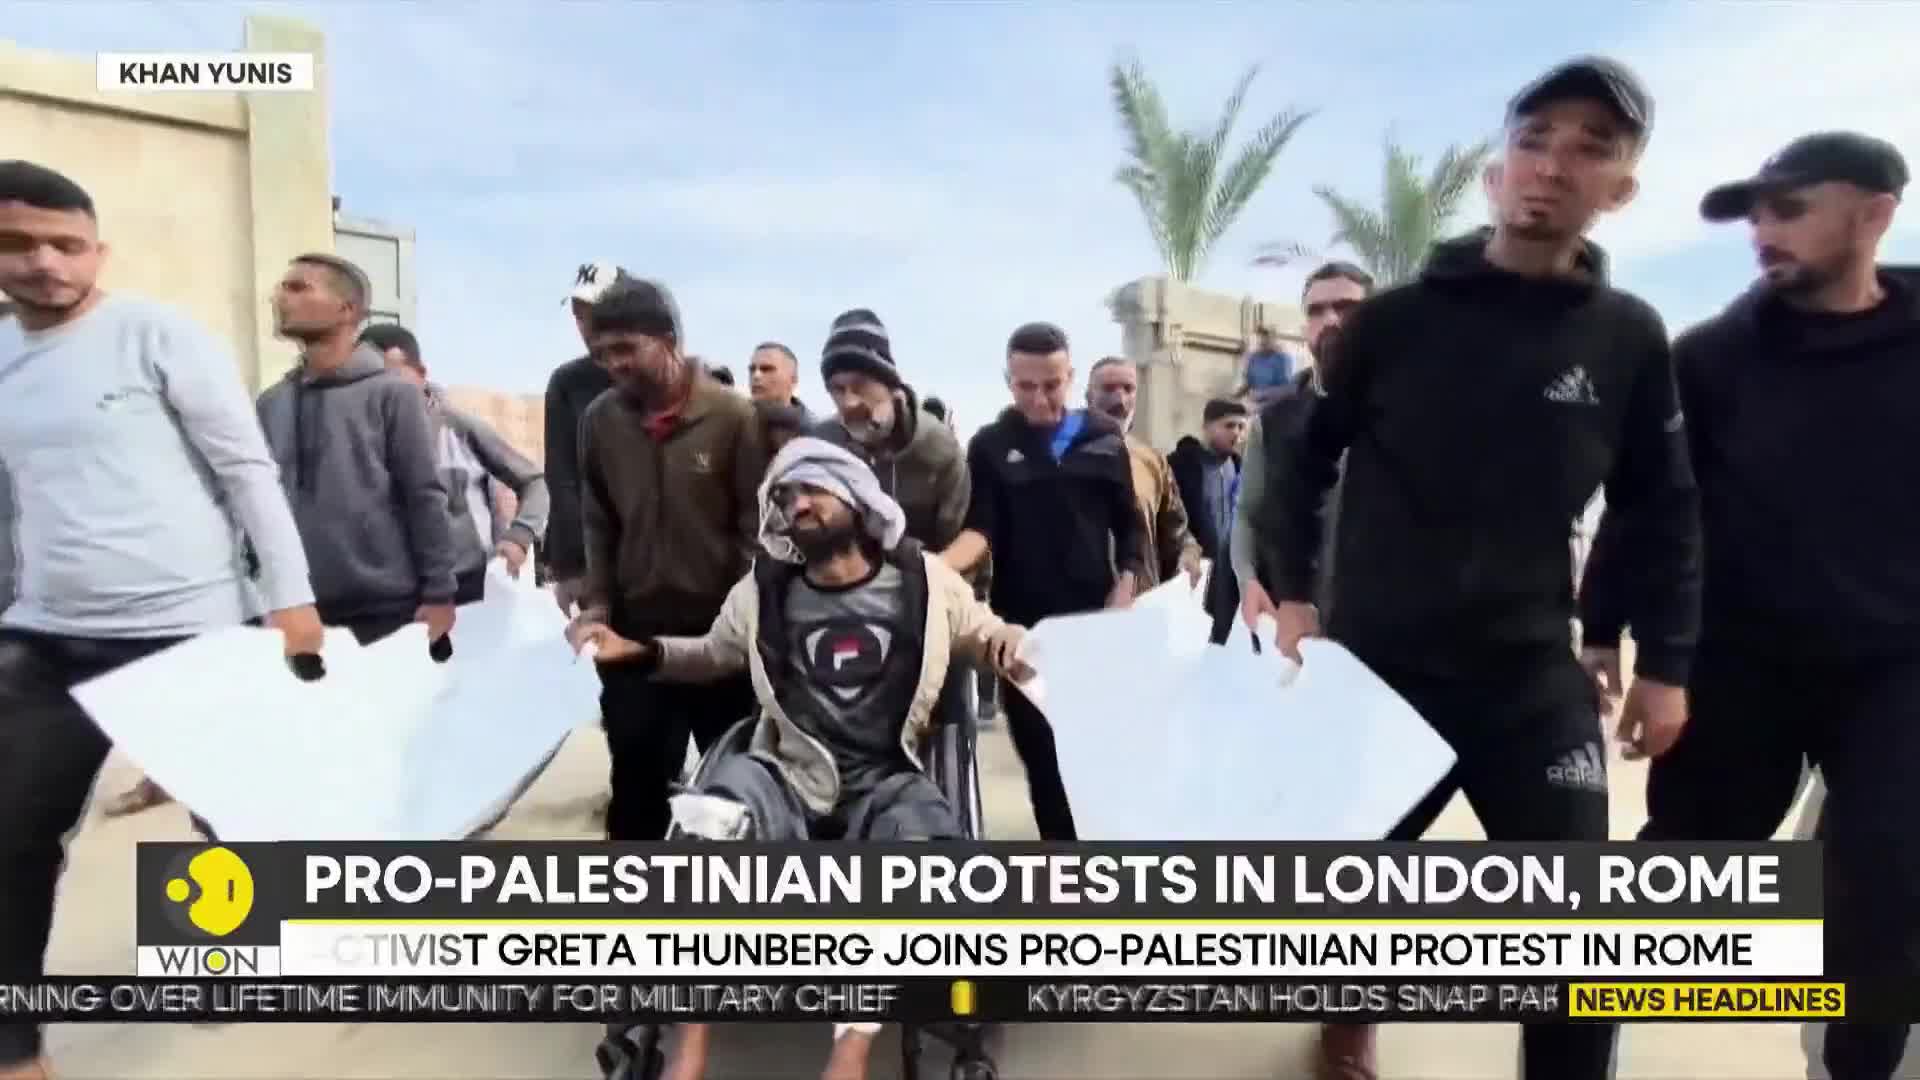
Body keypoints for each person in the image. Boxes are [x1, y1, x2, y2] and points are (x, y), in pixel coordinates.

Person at [1256, 58, 1699, 1080]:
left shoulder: (1627, 338)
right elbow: (1304, 457)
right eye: (1536, 139)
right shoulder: (1395, 324)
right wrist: (1294, 597)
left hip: (1527, 679)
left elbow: (1661, 503)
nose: (1555, 165)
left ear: (1620, 189)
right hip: (1380, 674)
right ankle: (1347, 1016)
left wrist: (1663, 655)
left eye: (1593, 148)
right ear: (1499, 171)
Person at [1583, 131, 1917, 1080]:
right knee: (1684, 882)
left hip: (1897, 672)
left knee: (1887, 889)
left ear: (1874, 213)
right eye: (1754, 214)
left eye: (1789, 208)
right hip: (1741, 664)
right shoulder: (1712, 359)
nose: (1763, 231)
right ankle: (1587, 1059)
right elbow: (1649, 500)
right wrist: (1608, 629)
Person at [0, 161, 323, 1080]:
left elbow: (246, 471)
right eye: (19, 245)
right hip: (46, 630)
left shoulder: (155, 336)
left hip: (189, 621)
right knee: (14, 831)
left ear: (97, 250)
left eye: (65, 244)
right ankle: (16, 1046)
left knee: (224, 817)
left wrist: (289, 601)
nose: (45, 264)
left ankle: (219, 971)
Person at [572, 436, 1029, 1080]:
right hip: (786, 773)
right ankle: (691, 1044)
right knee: (713, 820)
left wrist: (1007, 638)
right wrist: (639, 650)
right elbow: (712, 654)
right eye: (784, 496)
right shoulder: (761, 593)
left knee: (920, 854)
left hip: (886, 777)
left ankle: (850, 1050)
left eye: (811, 489)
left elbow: (983, 631)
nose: (797, 505)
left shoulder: (928, 584)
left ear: (855, 497)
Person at [571, 278, 768, 844]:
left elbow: (755, 533)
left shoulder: (736, 419)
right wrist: (599, 605)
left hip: (719, 640)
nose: (613, 364)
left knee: (732, 788)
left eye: (626, 349)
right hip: (633, 638)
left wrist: (741, 627)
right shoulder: (600, 420)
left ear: (669, 340)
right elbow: (598, 520)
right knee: (635, 783)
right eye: (602, 354)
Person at [947, 321, 1144, 841]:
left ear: (1070, 377)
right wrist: (938, 568)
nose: (1039, 398)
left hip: (1097, 624)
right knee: (1044, 759)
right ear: (1008, 381)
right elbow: (981, 529)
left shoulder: (1102, 436)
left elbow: (1131, 528)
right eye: (1025, 386)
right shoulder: (991, 445)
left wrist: (1126, 589)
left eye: (1051, 385)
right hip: (1023, 630)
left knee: (1100, 757)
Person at [255, 254, 456, 648]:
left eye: (298, 288)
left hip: (387, 610)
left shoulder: (392, 393)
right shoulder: (271, 402)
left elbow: (423, 494)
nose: (279, 297)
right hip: (297, 611)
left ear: (346, 310)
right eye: (282, 287)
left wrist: (439, 593)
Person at [1233, 261, 1376, 629]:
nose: (1330, 319)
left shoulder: (1413, 408)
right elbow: (1249, 513)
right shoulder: (1276, 420)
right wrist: (1247, 580)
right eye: (1316, 311)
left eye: (1345, 308)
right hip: (1298, 628)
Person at [364, 324, 551, 601]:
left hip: (470, 598)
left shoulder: (460, 430)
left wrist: (519, 535)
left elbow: (534, 482)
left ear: (421, 374)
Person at [809, 309, 971, 555]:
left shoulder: (939, 447)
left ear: (890, 384)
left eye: (861, 385)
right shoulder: (821, 445)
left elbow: (958, 543)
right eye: (838, 390)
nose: (849, 402)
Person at [544, 260, 630, 610]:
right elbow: (561, 476)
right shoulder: (568, 383)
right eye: (578, 314)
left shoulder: (659, 377)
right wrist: (570, 564)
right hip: (592, 562)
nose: (584, 323)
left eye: (593, 312)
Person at [1086, 355, 1201, 586]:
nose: (1119, 399)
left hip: (1142, 607)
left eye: (1128, 389)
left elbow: (1176, 531)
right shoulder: (1061, 457)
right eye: (1108, 389)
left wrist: (1188, 553)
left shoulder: (1152, 461)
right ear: (1088, 397)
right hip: (1080, 612)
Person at [1170, 399, 1249, 641]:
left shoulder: (1239, 467)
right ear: (1207, 426)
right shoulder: (1180, 465)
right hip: (1195, 574)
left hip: (1230, 579)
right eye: (1228, 425)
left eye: (1240, 427)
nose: (1235, 433)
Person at [1235, 326, 1294, 408]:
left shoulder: (1282, 359)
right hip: (1254, 403)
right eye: (1261, 337)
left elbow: (1286, 389)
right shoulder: (1253, 358)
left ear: (1274, 339)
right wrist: (1234, 397)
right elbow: (1248, 384)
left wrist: (1262, 394)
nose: (1263, 340)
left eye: (1266, 337)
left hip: (1275, 404)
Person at [747, 340, 808, 416]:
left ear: (793, 380)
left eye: (766, 369)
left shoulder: (812, 427)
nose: (756, 375)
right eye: (752, 369)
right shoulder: (733, 423)